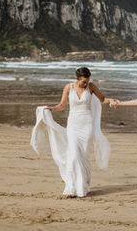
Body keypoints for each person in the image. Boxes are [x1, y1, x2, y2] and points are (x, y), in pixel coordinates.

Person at [31, 67, 116, 197]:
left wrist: (112, 101)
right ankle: (71, 187)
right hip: (73, 125)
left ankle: (84, 186)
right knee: (74, 155)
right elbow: (62, 105)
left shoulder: (92, 87)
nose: (85, 84)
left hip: (87, 125)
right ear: (77, 78)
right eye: (83, 82)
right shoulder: (68, 87)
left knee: (84, 157)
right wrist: (52, 109)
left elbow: (103, 99)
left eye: (87, 81)